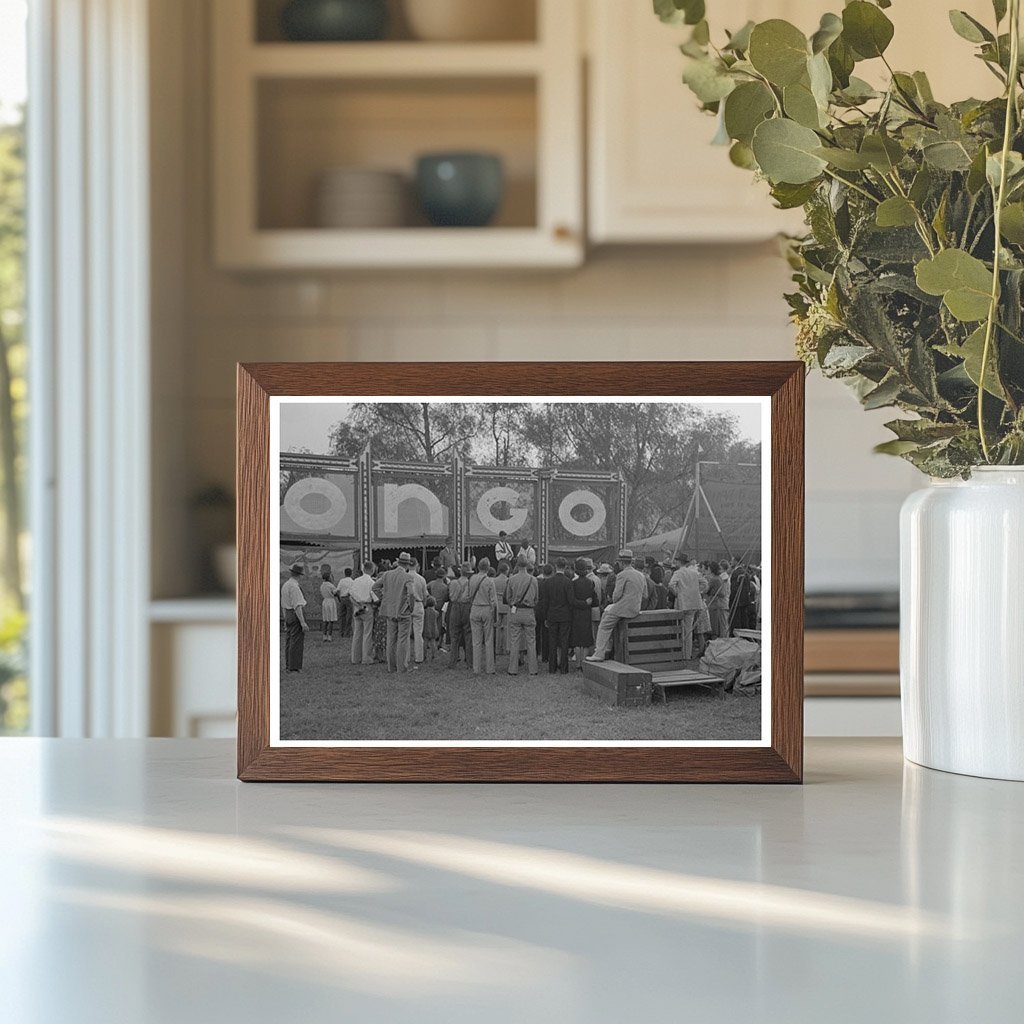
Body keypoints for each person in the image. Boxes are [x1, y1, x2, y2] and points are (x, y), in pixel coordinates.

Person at [587, 549, 647, 663]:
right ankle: (607, 649)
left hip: (624, 608)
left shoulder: (622, 575)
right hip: (636, 608)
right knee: (608, 615)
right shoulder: (641, 575)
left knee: (604, 625)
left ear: (621, 563)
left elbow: (616, 597)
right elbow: (645, 595)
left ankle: (599, 653)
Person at [373, 551, 415, 674]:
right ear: (407, 565)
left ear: (398, 562)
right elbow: (411, 593)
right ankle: (402, 667)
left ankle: (391, 667)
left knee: (391, 639)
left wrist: (383, 599)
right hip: (403, 612)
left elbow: (374, 587)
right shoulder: (408, 577)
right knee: (402, 640)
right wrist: (410, 607)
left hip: (390, 610)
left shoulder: (387, 575)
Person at [506, 554, 539, 676]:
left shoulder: (511, 579)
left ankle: (513, 669)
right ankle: (533, 669)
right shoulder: (533, 580)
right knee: (531, 641)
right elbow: (536, 599)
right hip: (529, 611)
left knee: (514, 641)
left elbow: (508, 598)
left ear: (517, 565)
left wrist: (513, 604)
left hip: (516, 611)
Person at [668, 553, 703, 659]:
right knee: (689, 630)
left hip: (682, 603)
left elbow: (670, 585)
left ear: (679, 562)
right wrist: (697, 592)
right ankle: (687, 654)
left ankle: (682, 654)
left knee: (681, 630)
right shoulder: (694, 573)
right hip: (694, 603)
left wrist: (677, 594)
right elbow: (705, 583)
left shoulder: (678, 573)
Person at [467, 556, 498, 675]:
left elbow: (469, 594)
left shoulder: (472, 578)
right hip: (486, 609)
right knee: (489, 640)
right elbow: (494, 601)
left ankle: (476, 668)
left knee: (476, 641)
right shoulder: (490, 581)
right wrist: (496, 616)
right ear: (488, 568)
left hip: (475, 607)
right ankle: (490, 668)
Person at [544, 557, 575, 674]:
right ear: (565, 566)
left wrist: (546, 616)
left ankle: (552, 667)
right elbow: (571, 601)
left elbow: (546, 601)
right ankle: (564, 667)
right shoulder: (568, 582)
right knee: (564, 641)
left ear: (555, 566)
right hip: (565, 615)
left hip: (552, 614)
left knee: (552, 641)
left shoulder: (548, 582)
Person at [570, 557, 598, 669]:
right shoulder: (591, 582)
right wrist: (587, 603)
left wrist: (581, 603)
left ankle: (577, 664)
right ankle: (584, 663)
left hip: (576, 613)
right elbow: (595, 600)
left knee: (577, 640)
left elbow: (571, 600)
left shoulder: (573, 583)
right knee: (586, 640)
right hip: (586, 613)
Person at [348, 561, 377, 665]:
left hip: (357, 606)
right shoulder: (372, 583)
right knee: (367, 633)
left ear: (363, 569)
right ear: (372, 570)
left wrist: (358, 605)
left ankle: (355, 658)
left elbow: (350, 596)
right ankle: (366, 658)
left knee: (357, 633)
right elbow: (375, 598)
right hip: (367, 606)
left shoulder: (355, 581)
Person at [281, 563, 309, 672]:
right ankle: (294, 666)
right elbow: (297, 605)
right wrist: (302, 622)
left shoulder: (286, 585)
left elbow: (283, 604)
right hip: (295, 614)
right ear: (299, 575)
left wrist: (285, 619)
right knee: (296, 641)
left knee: (289, 640)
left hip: (288, 613)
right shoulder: (294, 587)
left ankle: (289, 664)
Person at [447, 562, 473, 668]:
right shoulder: (470, 583)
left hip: (455, 607)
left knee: (454, 636)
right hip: (466, 607)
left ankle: (453, 662)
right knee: (468, 635)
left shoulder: (453, 583)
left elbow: (450, 596)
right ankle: (470, 662)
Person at [407, 558, 428, 668]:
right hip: (418, 604)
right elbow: (425, 595)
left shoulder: (404, 577)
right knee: (418, 633)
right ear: (417, 565)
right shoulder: (421, 579)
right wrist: (423, 604)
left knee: (405, 633)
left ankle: (405, 656)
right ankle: (419, 657)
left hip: (406, 605)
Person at [426, 566, 450, 649]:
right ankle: (439, 640)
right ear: (444, 576)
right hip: (441, 605)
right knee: (440, 623)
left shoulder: (432, 583)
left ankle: (429, 641)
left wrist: (429, 597)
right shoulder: (445, 587)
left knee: (430, 623)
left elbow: (425, 588)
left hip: (432, 605)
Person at [535, 563, 553, 665]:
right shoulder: (551, 584)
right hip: (548, 610)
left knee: (536, 633)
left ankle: (536, 653)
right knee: (546, 634)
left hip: (538, 609)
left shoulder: (538, 583)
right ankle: (545, 656)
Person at [706, 561, 729, 639]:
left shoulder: (714, 579)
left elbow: (706, 590)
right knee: (719, 625)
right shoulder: (719, 578)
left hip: (713, 604)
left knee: (714, 625)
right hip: (718, 604)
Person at [493, 560, 510, 656]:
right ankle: (506, 648)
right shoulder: (508, 580)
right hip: (506, 604)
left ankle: (497, 648)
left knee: (498, 627)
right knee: (506, 628)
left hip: (497, 605)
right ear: (506, 570)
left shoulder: (494, 580)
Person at [319, 565, 338, 642]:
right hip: (331, 601)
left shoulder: (322, 585)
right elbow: (335, 593)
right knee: (331, 620)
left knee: (325, 619)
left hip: (325, 601)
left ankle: (324, 636)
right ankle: (329, 636)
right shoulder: (331, 585)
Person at [335, 567, 353, 637]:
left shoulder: (341, 581)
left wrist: (339, 598)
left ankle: (341, 632)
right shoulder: (352, 581)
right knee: (349, 616)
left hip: (342, 598)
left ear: (344, 573)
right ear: (351, 573)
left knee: (342, 616)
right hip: (349, 598)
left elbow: (337, 590)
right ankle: (347, 632)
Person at [423, 596, 440, 661]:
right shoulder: (436, 613)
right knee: (433, 643)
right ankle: (433, 655)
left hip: (426, 628)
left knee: (425, 643)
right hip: (434, 629)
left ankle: (424, 656)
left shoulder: (424, 612)